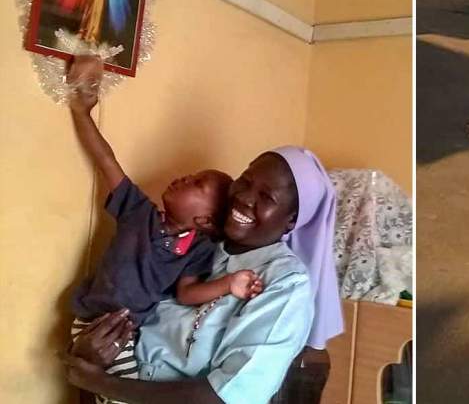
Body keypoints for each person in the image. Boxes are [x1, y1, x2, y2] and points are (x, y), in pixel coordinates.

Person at [63, 143, 344, 404]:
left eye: (267, 197)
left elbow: (227, 395)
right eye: (245, 181)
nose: (245, 198)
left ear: (291, 219)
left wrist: (98, 381)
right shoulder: (194, 244)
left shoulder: (284, 283)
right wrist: (89, 361)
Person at [65, 56, 260, 376]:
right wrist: (81, 111)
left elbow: (187, 293)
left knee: (116, 395)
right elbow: (105, 159)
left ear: (205, 222)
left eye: (196, 183)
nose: (184, 178)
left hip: (125, 336)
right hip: (88, 318)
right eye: (192, 175)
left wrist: (229, 284)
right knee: (98, 386)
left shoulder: (198, 249)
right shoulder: (137, 210)